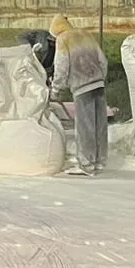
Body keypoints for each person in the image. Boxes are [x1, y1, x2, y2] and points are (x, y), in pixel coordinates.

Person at [49, 15, 108, 176]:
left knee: (85, 127)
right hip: (99, 84)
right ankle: (99, 161)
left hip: (82, 86)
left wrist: (55, 90)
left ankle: (86, 165)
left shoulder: (63, 39)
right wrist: (100, 77)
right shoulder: (86, 34)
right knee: (99, 125)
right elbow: (103, 60)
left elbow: (62, 66)